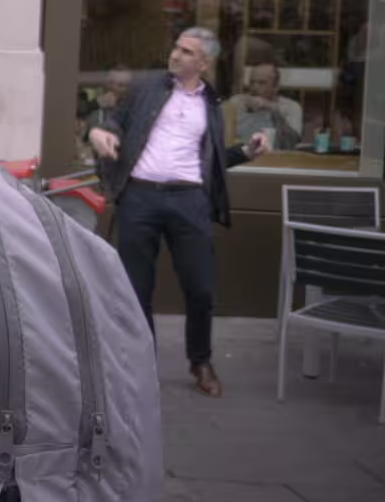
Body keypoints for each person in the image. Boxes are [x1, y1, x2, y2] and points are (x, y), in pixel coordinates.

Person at [91, 27, 270, 398]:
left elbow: (214, 158)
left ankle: (200, 360)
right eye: (176, 47)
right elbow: (114, 122)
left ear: (203, 63)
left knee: (201, 288)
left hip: (189, 200)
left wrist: (246, 153)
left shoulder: (211, 105)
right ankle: (141, 367)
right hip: (139, 196)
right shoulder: (147, 88)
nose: (176, 55)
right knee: (135, 290)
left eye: (187, 52)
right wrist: (98, 133)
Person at [222, 61, 303, 151]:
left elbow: (293, 141)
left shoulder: (290, 107)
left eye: (261, 83)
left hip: (276, 159)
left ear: (276, 87)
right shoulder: (237, 101)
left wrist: (272, 110)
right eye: (252, 82)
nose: (254, 87)